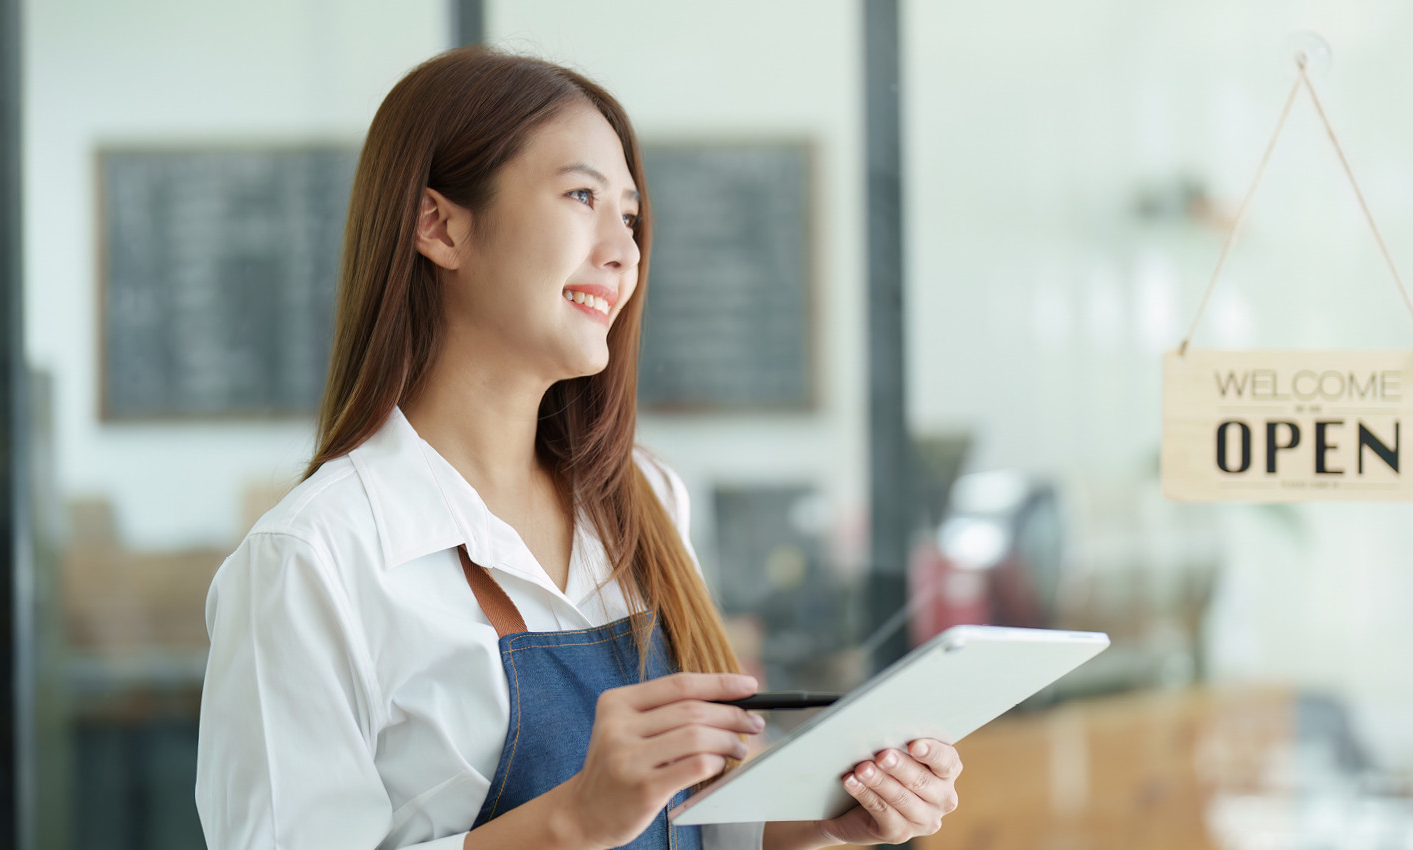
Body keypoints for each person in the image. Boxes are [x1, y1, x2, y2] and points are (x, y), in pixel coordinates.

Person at [195, 47, 962, 850]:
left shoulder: (644, 497)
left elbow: (697, 830)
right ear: (440, 226)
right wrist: (573, 819)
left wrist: (827, 825)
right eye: (581, 196)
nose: (623, 251)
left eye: (628, 216)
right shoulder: (312, 560)